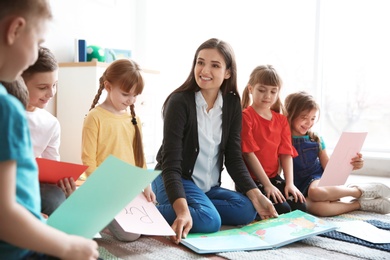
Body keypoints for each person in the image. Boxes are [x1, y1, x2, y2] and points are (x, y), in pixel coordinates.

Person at [151, 38, 278, 245]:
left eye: (215, 65)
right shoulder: (179, 102)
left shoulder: (232, 103)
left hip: (207, 187)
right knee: (210, 221)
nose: (204, 70)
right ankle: (139, 212)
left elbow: (234, 158)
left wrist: (257, 195)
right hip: (174, 179)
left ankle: (199, 208)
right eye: (200, 62)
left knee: (247, 209)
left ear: (228, 72)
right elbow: (171, 164)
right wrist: (182, 212)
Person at [0, 0, 99, 259]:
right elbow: (5, 215)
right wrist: (66, 246)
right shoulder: (6, 108)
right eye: (37, 42)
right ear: (15, 30)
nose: (34, 55)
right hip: (15, 248)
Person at [82, 58, 155, 241]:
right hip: (105, 190)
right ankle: (99, 217)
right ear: (108, 86)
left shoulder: (133, 119)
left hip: (129, 189)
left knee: (150, 223)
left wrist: (146, 186)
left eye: (135, 95)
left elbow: (140, 157)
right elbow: (88, 162)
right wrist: (106, 191)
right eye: (125, 94)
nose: (131, 100)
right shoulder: (95, 117)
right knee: (130, 236)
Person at [284, 91, 390, 217]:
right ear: (290, 114)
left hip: (317, 181)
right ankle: (359, 205)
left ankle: (359, 191)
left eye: (312, 118)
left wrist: (353, 165)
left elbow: (329, 167)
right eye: (304, 117)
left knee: (315, 192)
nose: (309, 123)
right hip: (297, 186)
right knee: (316, 208)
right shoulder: (283, 140)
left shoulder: (315, 139)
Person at [239, 65, 306, 215]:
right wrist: (267, 185)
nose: (267, 96)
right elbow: (249, 154)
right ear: (250, 89)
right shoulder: (246, 117)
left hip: (274, 178)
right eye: (261, 90)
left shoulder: (281, 120)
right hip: (252, 181)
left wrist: (290, 184)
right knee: (282, 209)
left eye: (273, 91)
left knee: (300, 206)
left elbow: (286, 153)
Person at [22, 46, 76, 216]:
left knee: (56, 197)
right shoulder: (8, 112)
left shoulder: (50, 123)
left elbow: (52, 171)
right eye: (43, 87)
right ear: (20, 82)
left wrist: (64, 186)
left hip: (28, 183)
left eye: (54, 85)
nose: (51, 93)